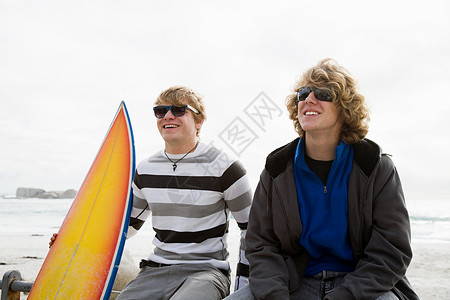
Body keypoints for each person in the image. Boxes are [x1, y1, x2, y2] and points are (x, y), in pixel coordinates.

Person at [224, 59, 418, 300]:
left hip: (360, 286)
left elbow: (391, 251)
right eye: (304, 93)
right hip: (294, 282)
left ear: (345, 108)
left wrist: (343, 296)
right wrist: (275, 295)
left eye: (323, 93)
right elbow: (262, 245)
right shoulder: (277, 168)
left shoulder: (375, 166)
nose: (309, 99)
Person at [50, 86, 252, 299]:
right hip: (155, 270)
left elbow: (252, 230)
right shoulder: (146, 169)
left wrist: (242, 289)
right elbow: (125, 228)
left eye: (179, 110)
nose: (167, 116)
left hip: (206, 272)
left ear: (199, 120)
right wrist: (73, 242)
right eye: (160, 111)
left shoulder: (226, 168)